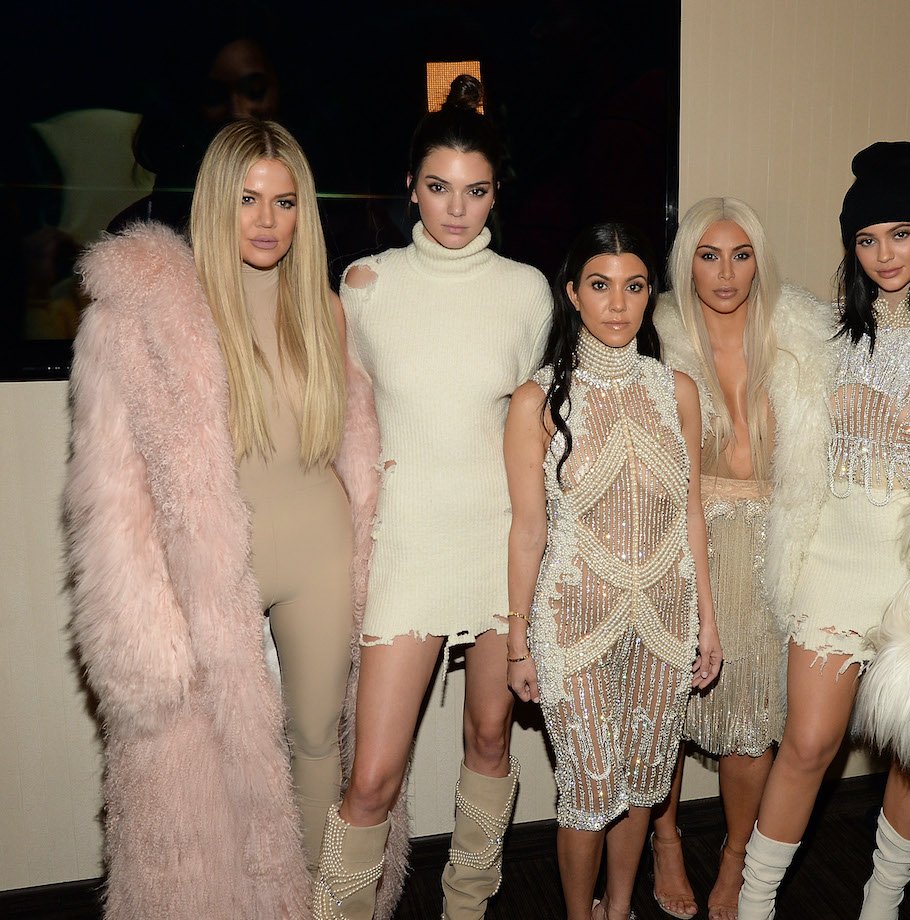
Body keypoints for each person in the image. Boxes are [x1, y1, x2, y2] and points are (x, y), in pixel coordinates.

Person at [64, 118, 383, 918]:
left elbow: (350, 445)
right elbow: (110, 488)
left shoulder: (326, 312)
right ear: (216, 202)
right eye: (248, 199)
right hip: (218, 563)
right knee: (210, 768)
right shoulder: (161, 317)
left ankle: (316, 905)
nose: (267, 220)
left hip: (320, 547)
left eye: (283, 201)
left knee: (317, 744)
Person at [737, 141, 910, 920]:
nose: (884, 254)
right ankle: (755, 906)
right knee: (809, 745)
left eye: (900, 232)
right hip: (835, 556)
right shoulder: (829, 333)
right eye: (866, 238)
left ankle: (880, 907)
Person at [316, 75, 553, 920]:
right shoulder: (364, 285)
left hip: (498, 544)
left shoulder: (526, 292)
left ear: (498, 193)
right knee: (372, 777)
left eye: (477, 190)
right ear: (412, 187)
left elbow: (534, 435)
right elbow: (343, 428)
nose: (458, 209)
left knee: (491, 739)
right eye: (440, 188)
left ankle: (468, 907)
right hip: (409, 547)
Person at [504, 221, 723, 920]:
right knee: (590, 786)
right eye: (600, 286)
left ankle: (621, 906)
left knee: (643, 782)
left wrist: (707, 626)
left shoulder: (676, 391)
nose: (618, 304)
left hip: (665, 617)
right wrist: (517, 641)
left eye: (634, 287)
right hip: (573, 622)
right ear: (573, 294)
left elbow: (691, 513)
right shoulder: (536, 402)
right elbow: (528, 528)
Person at [648, 197, 833, 920]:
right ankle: (664, 838)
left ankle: (735, 860)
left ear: (760, 261)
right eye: (708, 255)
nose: (726, 273)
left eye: (741, 254)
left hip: (770, 547)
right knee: (661, 708)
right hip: (678, 540)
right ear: (685, 262)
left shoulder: (802, 340)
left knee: (754, 721)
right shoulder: (655, 335)